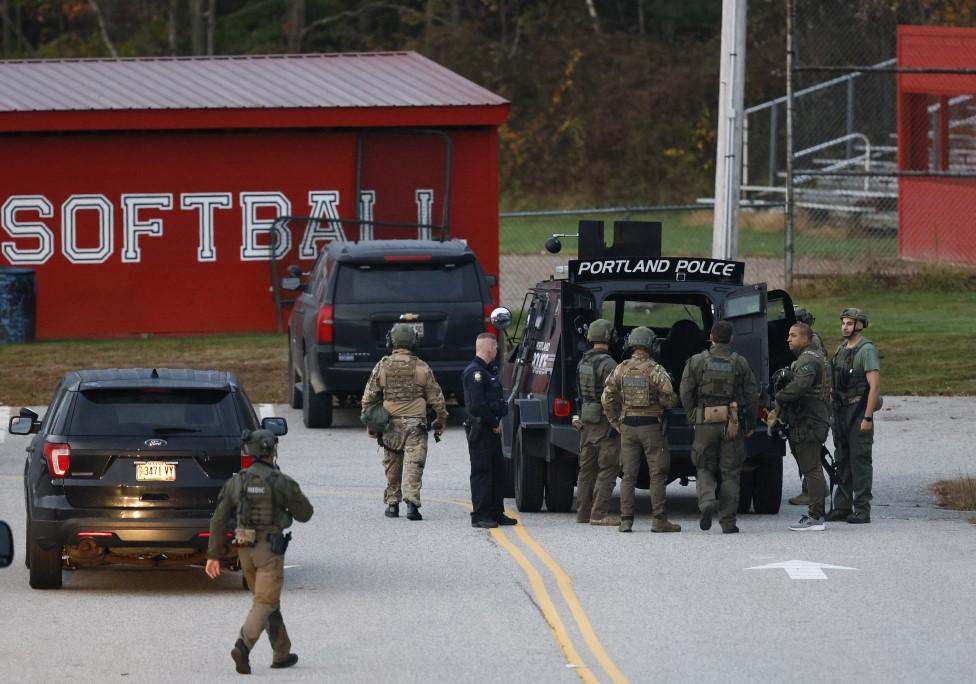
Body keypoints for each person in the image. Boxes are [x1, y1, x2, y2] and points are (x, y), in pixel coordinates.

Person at [205, 429, 314, 675]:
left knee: (266, 601)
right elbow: (305, 514)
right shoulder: (281, 482)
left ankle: (282, 652)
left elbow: (219, 520)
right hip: (270, 551)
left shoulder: (236, 482)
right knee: (265, 601)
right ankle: (243, 645)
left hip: (245, 551)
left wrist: (213, 556)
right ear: (272, 450)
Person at [362, 323, 448, 521]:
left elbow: (368, 399)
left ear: (391, 342)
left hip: (389, 425)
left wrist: (371, 424)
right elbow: (437, 399)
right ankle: (412, 506)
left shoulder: (382, 366)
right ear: (413, 342)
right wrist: (440, 420)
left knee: (392, 462)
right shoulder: (422, 367)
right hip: (415, 425)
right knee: (414, 464)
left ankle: (393, 505)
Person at [679, 320, 759, 534]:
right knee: (731, 473)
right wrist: (749, 423)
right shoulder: (740, 362)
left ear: (711, 337)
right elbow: (752, 395)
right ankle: (728, 522)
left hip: (705, 420)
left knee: (704, 466)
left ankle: (706, 503)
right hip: (731, 422)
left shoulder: (696, 361)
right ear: (731, 338)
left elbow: (685, 391)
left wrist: (691, 416)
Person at [601, 326, 680, 533]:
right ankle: (659, 520)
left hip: (627, 426)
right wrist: (664, 403)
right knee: (657, 473)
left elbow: (607, 397)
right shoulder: (656, 370)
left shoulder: (620, 368)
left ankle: (626, 521)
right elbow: (669, 398)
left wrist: (614, 422)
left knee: (628, 475)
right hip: (651, 426)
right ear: (652, 346)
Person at [770, 323, 832, 531]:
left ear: (805, 339)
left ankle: (816, 516)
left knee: (811, 468)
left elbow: (801, 386)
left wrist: (778, 397)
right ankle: (816, 513)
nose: (788, 339)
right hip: (810, 419)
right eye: (789, 335)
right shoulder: (815, 356)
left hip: (810, 421)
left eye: (793, 335)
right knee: (811, 466)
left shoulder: (808, 360)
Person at [828, 308, 881, 524]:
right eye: (843, 323)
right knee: (841, 459)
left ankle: (861, 508)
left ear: (860, 325)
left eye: (849, 323)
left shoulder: (866, 350)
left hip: (857, 410)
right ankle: (841, 506)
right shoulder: (841, 349)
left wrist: (867, 418)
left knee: (859, 461)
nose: (845, 327)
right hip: (840, 412)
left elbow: (874, 386)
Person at [463, 333, 518, 529]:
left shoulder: (488, 371)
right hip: (481, 429)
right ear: (488, 348)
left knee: (497, 471)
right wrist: (494, 421)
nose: (497, 351)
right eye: (495, 348)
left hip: (492, 429)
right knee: (482, 472)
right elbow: (477, 405)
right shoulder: (475, 373)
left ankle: (496, 511)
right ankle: (480, 514)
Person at [572, 318, 621, 526]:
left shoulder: (582, 361)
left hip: (586, 419)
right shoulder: (609, 364)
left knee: (586, 469)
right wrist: (617, 421)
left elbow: (579, 392)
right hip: (604, 421)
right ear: (609, 337)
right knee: (608, 468)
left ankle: (582, 513)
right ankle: (598, 514)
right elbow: (614, 395)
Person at [788, 306, 824, 507]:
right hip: (813, 410)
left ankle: (812, 494)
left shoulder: (810, 348)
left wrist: (783, 396)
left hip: (812, 411)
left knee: (809, 456)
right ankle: (813, 490)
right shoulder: (810, 344)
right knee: (808, 454)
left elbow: (803, 382)